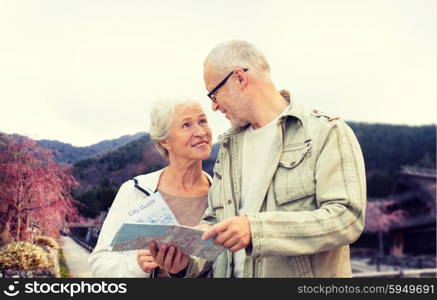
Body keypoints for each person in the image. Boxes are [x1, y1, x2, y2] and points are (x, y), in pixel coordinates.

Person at [150, 40, 367, 278]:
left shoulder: (325, 132)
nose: (213, 106)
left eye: (214, 93)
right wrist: (186, 262)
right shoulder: (228, 147)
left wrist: (257, 230)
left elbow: (346, 218)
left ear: (240, 79)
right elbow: (214, 222)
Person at [88, 99, 213, 278]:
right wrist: (137, 265)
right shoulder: (135, 192)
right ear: (165, 142)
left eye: (203, 121)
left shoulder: (222, 194)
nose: (201, 132)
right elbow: (98, 264)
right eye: (186, 125)